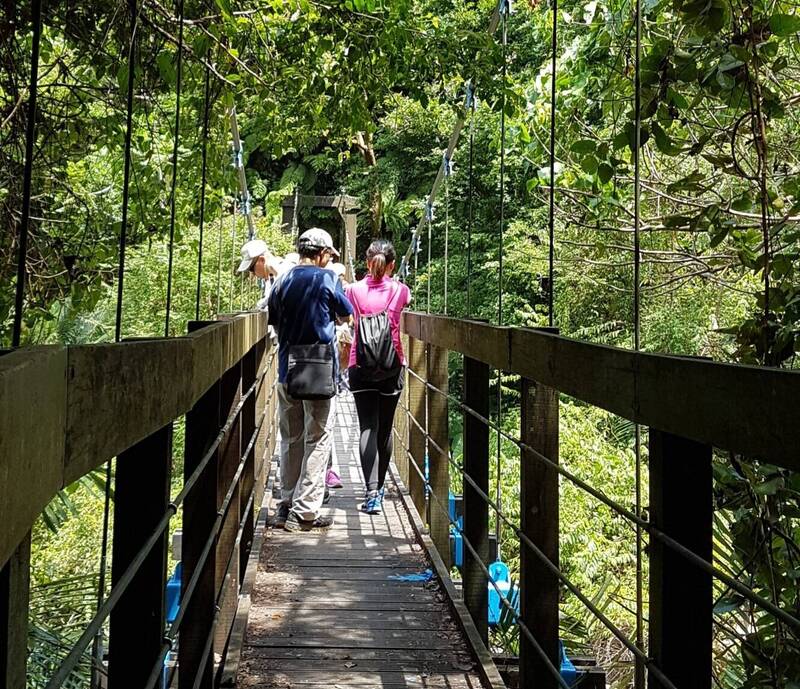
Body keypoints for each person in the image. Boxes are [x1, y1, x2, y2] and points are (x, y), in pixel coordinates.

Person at [267, 228, 353, 531]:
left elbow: (274, 320)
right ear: (321, 254)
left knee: (290, 437)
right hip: (318, 368)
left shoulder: (282, 280)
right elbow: (346, 315)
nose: (328, 260)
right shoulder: (327, 278)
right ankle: (305, 511)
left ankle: (286, 502)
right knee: (318, 437)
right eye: (328, 255)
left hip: (286, 371)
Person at [346, 239, 411, 515]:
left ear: (366, 262)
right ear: (393, 264)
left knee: (367, 428)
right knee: (385, 429)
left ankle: (370, 492)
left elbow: (346, 316)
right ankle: (380, 491)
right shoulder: (401, 291)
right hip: (391, 367)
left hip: (359, 366)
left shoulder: (352, 291)